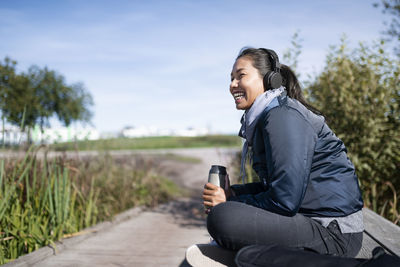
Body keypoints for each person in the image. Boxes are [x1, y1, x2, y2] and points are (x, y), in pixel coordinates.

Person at [202, 47, 364, 257]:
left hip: (333, 232)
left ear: (269, 80)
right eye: (231, 78)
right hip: (311, 219)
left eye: (241, 76)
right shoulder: (270, 116)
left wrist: (229, 202)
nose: (232, 85)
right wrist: (235, 193)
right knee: (224, 213)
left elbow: (284, 200)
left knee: (222, 217)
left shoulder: (283, 116)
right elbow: (276, 186)